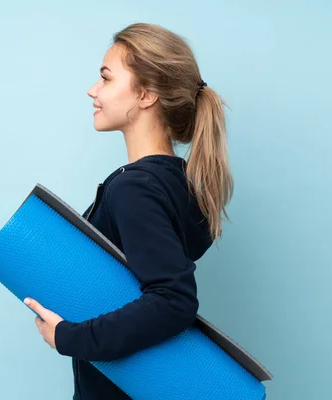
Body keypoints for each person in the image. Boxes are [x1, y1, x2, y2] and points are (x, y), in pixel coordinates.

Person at [23, 22, 234, 399]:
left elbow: (173, 300)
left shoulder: (135, 187)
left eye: (106, 78)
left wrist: (70, 337)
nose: (93, 90)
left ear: (147, 94)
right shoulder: (175, 181)